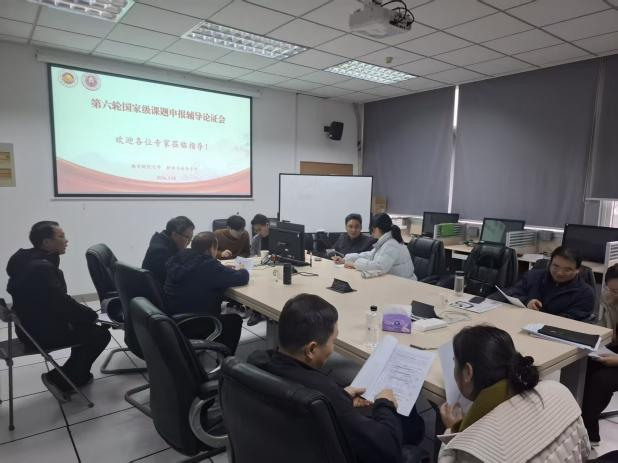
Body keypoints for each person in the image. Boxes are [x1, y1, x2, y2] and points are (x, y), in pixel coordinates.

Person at [248, 294, 425, 463]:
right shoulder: (325, 393)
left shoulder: (256, 362)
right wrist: (385, 404)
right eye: (333, 341)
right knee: (411, 424)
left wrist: (343, 395)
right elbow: (387, 451)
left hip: (282, 447)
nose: (333, 348)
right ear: (311, 349)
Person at [438, 325, 590, 462]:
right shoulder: (559, 390)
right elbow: (585, 450)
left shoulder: (471, 448)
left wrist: (452, 431)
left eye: (455, 363)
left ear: (467, 372)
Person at [6, 221, 111, 402]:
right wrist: (90, 315)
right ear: (46, 243)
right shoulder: (41, 268)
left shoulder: (25, 259)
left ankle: (76, 375)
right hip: (40, 333)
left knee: (85, 327)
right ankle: (61, 379)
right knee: (99, 335)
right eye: (61, 237)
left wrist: (83, 316)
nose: (66, 240)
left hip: (27, 326)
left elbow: (54, 301)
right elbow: (62, 303)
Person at [164, 231, 248, 354]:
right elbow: (242, 278)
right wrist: (243, 269)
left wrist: (221, 269)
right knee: (234, 320)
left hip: (174, 318)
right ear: (212, 248)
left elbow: (201, 273)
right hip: (196, 322)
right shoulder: (208, 266)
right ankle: (226, 360)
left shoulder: (179, 256)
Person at [500, 246, 594, 320]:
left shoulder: (585, 293)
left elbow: (571, 320)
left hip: (555, 332)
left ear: (578, 270)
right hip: (522, 321)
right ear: (550, 263)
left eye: (567, 270)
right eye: (555, 266)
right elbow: (511, 293)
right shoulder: (532, 276)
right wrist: (527, 302)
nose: (559, 273)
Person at [582, 264, 618, 446]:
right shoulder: (609, 298)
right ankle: (577, 422)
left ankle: (589, 431)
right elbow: (603, 330)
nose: (614, 295)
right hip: (613, 350)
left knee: (600, 381)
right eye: (612, 290)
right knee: (582, 365)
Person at [334, 213, 416, 280]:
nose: (371, 233)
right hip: (394, 281)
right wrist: (345, 259)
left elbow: (379, 267)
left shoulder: (391, 245)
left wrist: (355, 264)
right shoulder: (386, 242)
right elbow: (370, 255)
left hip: (405, 284)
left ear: (376, 229)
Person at [142, 216, 194, 286]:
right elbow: (175, 279)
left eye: (191, 239)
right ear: (174, 234)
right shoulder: (161, 252)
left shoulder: (161, 242)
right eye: (187, 237)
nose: (189, 242)